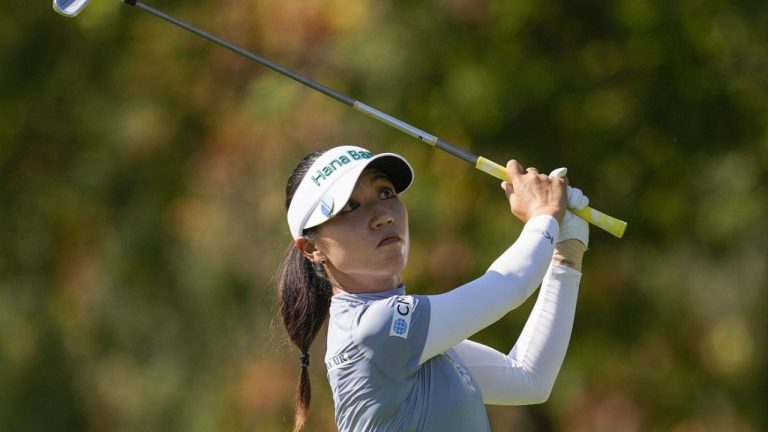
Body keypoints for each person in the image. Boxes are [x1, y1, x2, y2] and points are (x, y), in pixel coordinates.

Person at [276, 145, 589, 432]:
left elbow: (528, 380)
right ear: (311, 248)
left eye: (385, 193)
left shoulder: (410, 338)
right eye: (349, 207)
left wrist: (565, 252)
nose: (382, 216)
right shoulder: (373, 331)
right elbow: (508, 285)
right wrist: (544, 215)